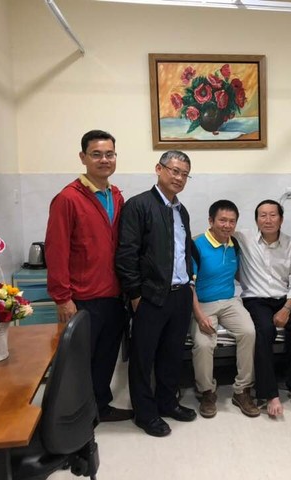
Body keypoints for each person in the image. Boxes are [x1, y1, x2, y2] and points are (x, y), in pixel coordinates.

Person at [45, 129, 132, 422]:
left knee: (106, 358)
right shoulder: (68, 199)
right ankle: (73, 417)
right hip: (82, 299)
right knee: (78, 362)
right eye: (96, 154)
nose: (104, 160)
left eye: (109, 154)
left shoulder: (116, 196)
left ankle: (99, 408)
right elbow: (56, 251)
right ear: (83, 157)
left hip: (113, 296)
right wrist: (62, 298)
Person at [115, 150, 197, 437]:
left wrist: (189, 283)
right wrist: (135, 294)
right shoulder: (138, 206)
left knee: (172, 355)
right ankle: (145, 414)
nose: (179, 178)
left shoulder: (181, 210)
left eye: (184, 174)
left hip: (180, 295)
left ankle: (167, 403)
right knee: (143, 358)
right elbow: (126, 255)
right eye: (174, 171)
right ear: (159, 169)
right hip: (150, 296)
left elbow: (183, 251)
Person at [235, 200, 291, 417]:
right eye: (263, 215)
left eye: (273, 215)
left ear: (281, 219)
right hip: (256, 299)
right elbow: (216, 231)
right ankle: (269, 393)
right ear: (256, 220)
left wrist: (287, 308)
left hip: (285, 299)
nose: (268, 220)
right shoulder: (244, 238)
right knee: (264, 331)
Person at [191, 200, 260, 419]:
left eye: (232, 221)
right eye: (222, 220)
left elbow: (238, 273)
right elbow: (188, 286)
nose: (227, 225)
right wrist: (199, 316)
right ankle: (206, 391)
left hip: (230, 301)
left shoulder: (235, 245)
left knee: (249, 332)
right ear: (211, 221)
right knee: (203, 343)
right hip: (202, 303)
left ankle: (242, 390)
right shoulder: (196, 245)